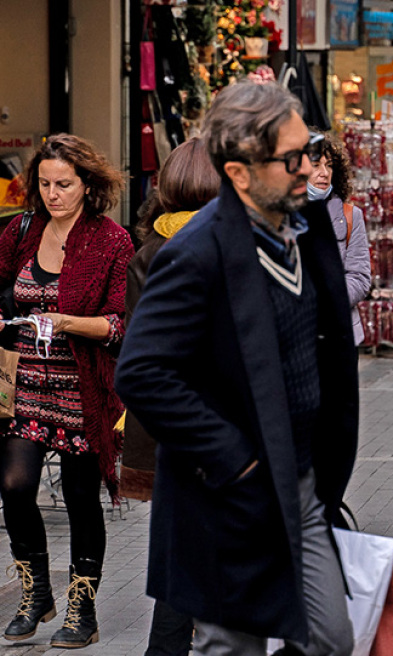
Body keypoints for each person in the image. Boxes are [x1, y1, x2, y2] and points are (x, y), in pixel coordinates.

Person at [115, 81, 358, 655]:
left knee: (330, 638)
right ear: (241, 172)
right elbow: (143, 372)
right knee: (232, 645)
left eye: (311, 149)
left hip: (299, 481)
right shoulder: (196, 252)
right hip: (228, 490)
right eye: (292, 158)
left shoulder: (307, 227)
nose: (309, 168)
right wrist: (234, 461)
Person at [0, 134, 134, 649]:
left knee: (81, 499)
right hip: (26, 385)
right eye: (44, 183)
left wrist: (70, 321)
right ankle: (36, 592)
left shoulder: (110, 241)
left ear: (87, 185)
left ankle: (84, 605)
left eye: (64, 184)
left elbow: (120, 324)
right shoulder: (22, 230)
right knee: (13, 483)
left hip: (83, 390)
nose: (53, 193)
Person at [123, 138, 219, 656]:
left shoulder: (148, 254)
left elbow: (139, 352)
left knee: (180, 553)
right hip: (223, 425)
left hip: (167, 424)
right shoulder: (236, 244)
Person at [308, 134, 372, 345]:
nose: (324, 173)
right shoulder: (281, 214)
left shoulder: (350, 215)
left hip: (338, 334)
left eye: (329, 166)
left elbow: (360, 277)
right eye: (315, 165)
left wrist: (326, 298)